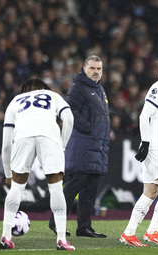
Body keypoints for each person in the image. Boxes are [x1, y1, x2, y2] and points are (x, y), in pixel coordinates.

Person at [0, 78, 75, 250]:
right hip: (49, 135)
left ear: (24, 90)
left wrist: (7, 174)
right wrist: (62, 145)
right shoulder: (53, 95)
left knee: (16, 188)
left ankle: (5, 236)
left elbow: (6, 145)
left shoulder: (15, 101)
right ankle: (61, 239)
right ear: (43, 88)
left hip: (23, 136)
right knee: (56, 188)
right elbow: (69, 119)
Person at [120, 56, 158, 247]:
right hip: (154, 146)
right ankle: (152, 231)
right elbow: (144, 115)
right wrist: (145, 143)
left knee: (150, 193)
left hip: (157, 144)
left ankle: (129, 233)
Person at [49, 55, 110, 238]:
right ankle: (55, 221)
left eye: (99, 69)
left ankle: (84, 226)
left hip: (96, 146)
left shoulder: (99, 89)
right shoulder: (78, 88)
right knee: (73, 185)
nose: (96, 72)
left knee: (90, 189)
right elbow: (69, 111)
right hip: (82, 145)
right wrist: (88, 128)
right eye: (92, 68)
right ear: (84, 69)